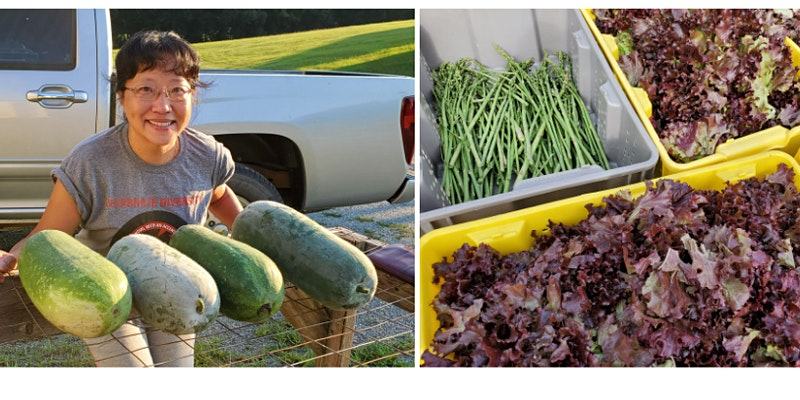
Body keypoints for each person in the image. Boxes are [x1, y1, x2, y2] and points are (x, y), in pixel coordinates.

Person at [0, 30, 243, 367]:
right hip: (106, 294)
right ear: (122, 96)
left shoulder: (206, 155)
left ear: (193, 96)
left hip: (175, 284)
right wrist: (10, 258)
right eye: (146, 89)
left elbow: (218, 195)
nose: (163, 105)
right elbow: (46, 237)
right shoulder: (90, 163)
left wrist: (246, 239)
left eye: (177, 90)